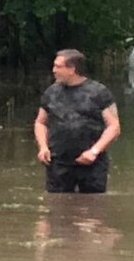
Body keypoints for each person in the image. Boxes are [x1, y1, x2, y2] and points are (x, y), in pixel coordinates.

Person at [34, 49, 121, 193]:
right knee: (56, 208)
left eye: (58, 66)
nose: (53, 70)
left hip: (92, 163)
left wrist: (94, 151)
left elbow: (114, 126)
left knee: (93, 208)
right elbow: (40, 122)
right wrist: (43, 147)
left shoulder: (99, 92)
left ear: (72, 69)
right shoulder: (51, 92)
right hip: (58, 162)